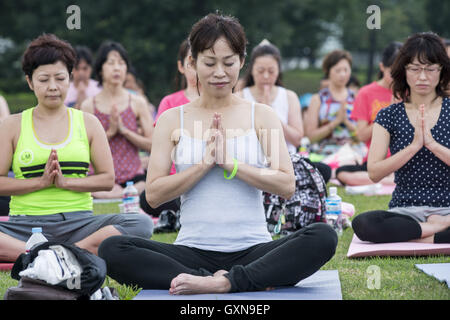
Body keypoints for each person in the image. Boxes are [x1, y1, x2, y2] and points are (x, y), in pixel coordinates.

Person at [98, 13, 337, 294]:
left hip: (253, 249)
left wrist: (231, 164)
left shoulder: (261, 115)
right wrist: (203, 165)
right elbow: (153, 194)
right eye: (210, 63)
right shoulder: (172, 119)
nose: (220, 72)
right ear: (192, 63)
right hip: (191, 251)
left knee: (323, 236)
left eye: (229, 62)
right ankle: (221, 278)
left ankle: (223, 282)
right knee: (112, 248)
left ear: (241, 62)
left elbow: (286, 185)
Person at [0, 34, 153, 262]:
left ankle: (49, 253)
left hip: (78, 223)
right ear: (30, 82)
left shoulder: (88, 123)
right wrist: (40, 183)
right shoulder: (12, 125)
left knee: (142, 223)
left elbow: (106, 179)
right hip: (25, 225)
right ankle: (59, 253)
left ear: (70, 79)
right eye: (43, 80)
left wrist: (65, 182)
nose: (53, 87)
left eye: (60, 78)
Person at [352, 32, 450, 244]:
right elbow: (375, 173)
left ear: (441, 71)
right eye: (415, 69)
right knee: (364, 224)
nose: (422, 77)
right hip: (406, 210)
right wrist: (414, 146)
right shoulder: (388, 115)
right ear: (403, 71)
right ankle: (432, 231)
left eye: (430, 69)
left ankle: (420, 237)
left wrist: (432, 145)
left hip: (448, 208)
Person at [236, 39, 331, 182]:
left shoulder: (288, 96)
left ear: (278, 71)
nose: (266, 76)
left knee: (323, 170)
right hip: (251, 162)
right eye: (261, 71)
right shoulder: (240, 96)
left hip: (285, 163)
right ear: (252, 70)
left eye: (271, 71)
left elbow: (297, 139)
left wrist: (270, 114)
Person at [81, 41, 154, 198]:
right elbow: (81, 149)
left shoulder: (137, 102)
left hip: (135, 180)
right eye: (111, 63)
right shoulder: (88, 106)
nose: (117, 68)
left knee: (147, 186)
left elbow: (152, 145)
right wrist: (110, 132)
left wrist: (125, 131)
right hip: (99, 181)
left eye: (121, 63)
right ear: (100, 69)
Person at [139, 39, 199, 219]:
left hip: (206, 179)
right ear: (181, 66)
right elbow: (161, 145)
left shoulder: (221, 103)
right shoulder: (169, 102)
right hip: (175, 181)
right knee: (147, 200)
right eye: (191, 62)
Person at [336, 42, 402, 186]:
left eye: (401, 71)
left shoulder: (411, 91)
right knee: (341, 173)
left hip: (403, 157)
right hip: (377, 160)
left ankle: (391, 179)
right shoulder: (366, 93)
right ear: (382, 67)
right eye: (393, 71)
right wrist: (389, 113)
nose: (398, 77)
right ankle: (392, 180)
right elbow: (361, 135)